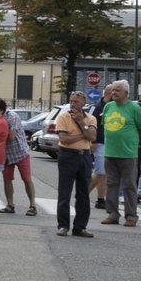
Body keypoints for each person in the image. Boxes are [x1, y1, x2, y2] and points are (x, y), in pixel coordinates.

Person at [99, 79, 141, 227]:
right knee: (112, 184)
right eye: (113, 90)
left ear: (126, 92)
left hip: (128, 154)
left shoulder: (135, 108)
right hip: (110, 152)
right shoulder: (108, 107)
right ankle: (113, 214)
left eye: (117, 90)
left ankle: (131, 216)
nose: (113, 93)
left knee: (129, 185)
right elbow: (104, 125)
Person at [54, 90, 98, 237]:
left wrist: (80, 122)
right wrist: (82, 135)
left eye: (76, 102)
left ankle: (80, 227)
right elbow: (64, 139)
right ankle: (63, 225)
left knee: (83, 193)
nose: (73, 104)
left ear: (84, 103)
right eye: (71, 101)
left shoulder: (91, 118)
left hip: (84, 156)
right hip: (68, 155)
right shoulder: (63, 117)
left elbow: (92, 136)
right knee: (64, 192)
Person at [0, 96, 39, 215]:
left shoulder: (11, 116)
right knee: (7, 179)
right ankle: (10, 205)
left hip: (20, 152)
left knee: (27, 179)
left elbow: (11, 136)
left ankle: (32, 206)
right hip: (6, 154)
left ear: (1, 109)